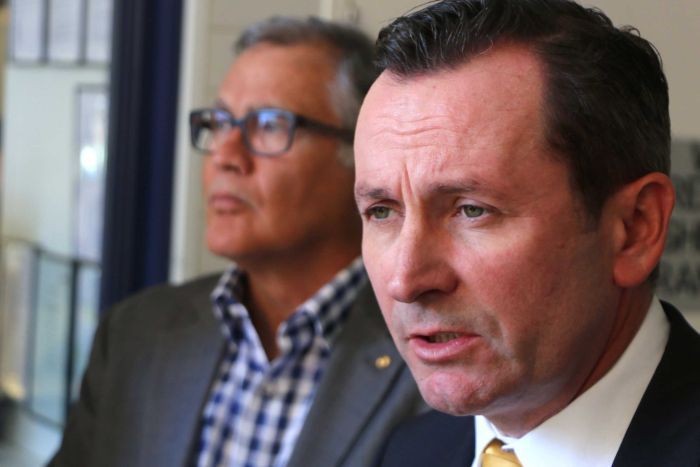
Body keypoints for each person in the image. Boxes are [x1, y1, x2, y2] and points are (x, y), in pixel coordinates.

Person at [49, 16, 424, 467]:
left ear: (361, 156)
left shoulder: (430, 358)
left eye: (268, 125)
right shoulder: (136, 334)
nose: (226, 156)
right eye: (220, 122)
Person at [353, 0, 700, 466]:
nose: (406, 280)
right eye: (381, 212)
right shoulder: (410, 452)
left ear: (635, 229)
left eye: (471, 210)